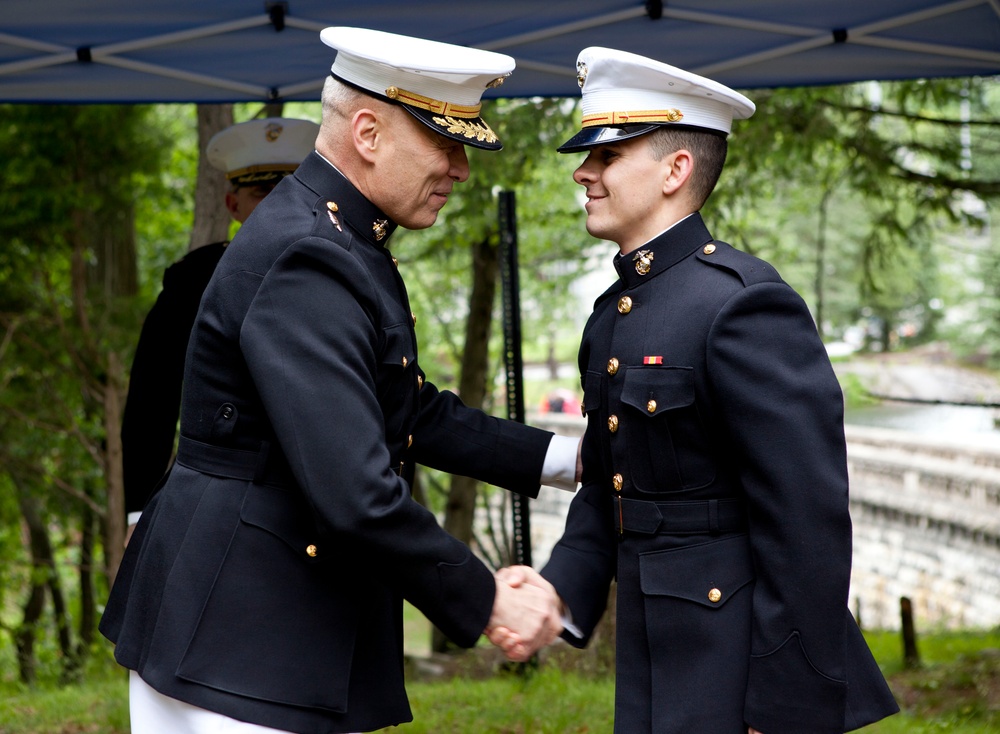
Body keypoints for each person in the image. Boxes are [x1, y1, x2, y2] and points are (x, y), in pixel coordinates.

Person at [100, 27, 578, 734]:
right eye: (444, 144)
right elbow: (356, 494)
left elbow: (405, 409)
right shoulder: (309, 254)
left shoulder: (341, 237)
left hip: (258, 626)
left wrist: (570, 459)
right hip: (243, 636)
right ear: (367, 133)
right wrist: (488, 600)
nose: (460, 169)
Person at [491, 47, 900, 733]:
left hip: (740, 665)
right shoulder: (611, 314)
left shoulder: (744, 306)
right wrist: (557, 597)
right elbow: (611, 494)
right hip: (657, 654)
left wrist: (783, 707)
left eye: (609, 156)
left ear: (676, 170)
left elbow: (806, 527)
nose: (582, 172)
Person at [121, 116, 320, 542]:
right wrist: (139, 511)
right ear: (234, 207)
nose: (274, 203)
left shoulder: (345, 273)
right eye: (260, 191)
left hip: (323, 506)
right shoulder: (191, 284)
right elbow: (150, 402)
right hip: (219, 510)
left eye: (288, 189)